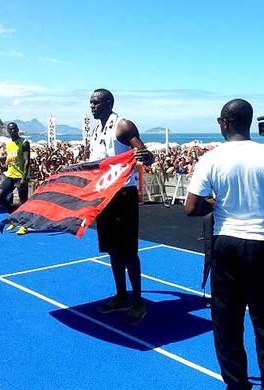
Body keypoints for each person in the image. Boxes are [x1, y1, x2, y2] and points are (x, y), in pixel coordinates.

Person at [185, 99, 264, 390]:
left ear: (224, 123)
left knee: (226, 321)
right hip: (262, 244)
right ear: (248, 124)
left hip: (226, 245)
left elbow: (191, 207)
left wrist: (215, 203)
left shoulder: (211, 158)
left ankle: (237, 385)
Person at [88, 88, 153, 326]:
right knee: (113, 251)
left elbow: (146, 154)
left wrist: (142, 156)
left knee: (128, 252)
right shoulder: (96, 130)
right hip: (104, 195)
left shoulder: (122, 126)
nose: (92, 107)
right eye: (90, 103)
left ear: (108, 103)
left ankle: (138, 301)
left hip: (123, 195)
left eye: (96, 103)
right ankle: (121, 296)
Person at [0, 122, 31, 214]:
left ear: (18, 130)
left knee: (23, 202)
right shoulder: (8, 144)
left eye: (15, 128)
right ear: (8, 131)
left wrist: (24, 178)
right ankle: (14, 214)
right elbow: (9, 158)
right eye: (10, 129)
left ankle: (24, 225)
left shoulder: (24, 142)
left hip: (21, 176)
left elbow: (27, 160)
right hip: (10, 175)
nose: (13, 130)